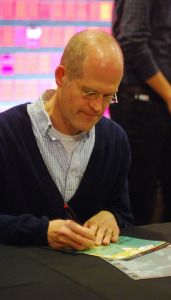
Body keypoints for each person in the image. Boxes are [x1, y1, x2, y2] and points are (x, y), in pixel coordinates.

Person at [0, 30, 133, 249]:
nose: (98, 107)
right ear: (61, 76)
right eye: (89, 92)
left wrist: (112, 217)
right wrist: (41, 232)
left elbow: (124, 215)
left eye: (109, 96)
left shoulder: (114, 140)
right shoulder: (7, 134)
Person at [110, 0, 171, 225]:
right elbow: (132, 43)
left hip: (161, 101)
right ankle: (135, 257)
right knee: (140, 199)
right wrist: (170, 97)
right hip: (137, 102)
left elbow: (164, 48)